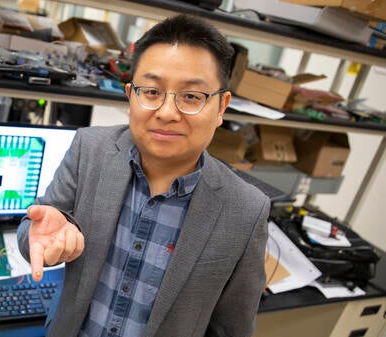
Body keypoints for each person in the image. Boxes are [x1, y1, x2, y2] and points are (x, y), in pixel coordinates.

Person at [17, 14, 270, 337]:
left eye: (191, 97)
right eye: (151, 91)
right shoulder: (89, 150)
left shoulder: (246, 211)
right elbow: (34, 231)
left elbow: (232, 329)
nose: (166, 112)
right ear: (130, 96)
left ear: (221, 107)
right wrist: (36, 238)